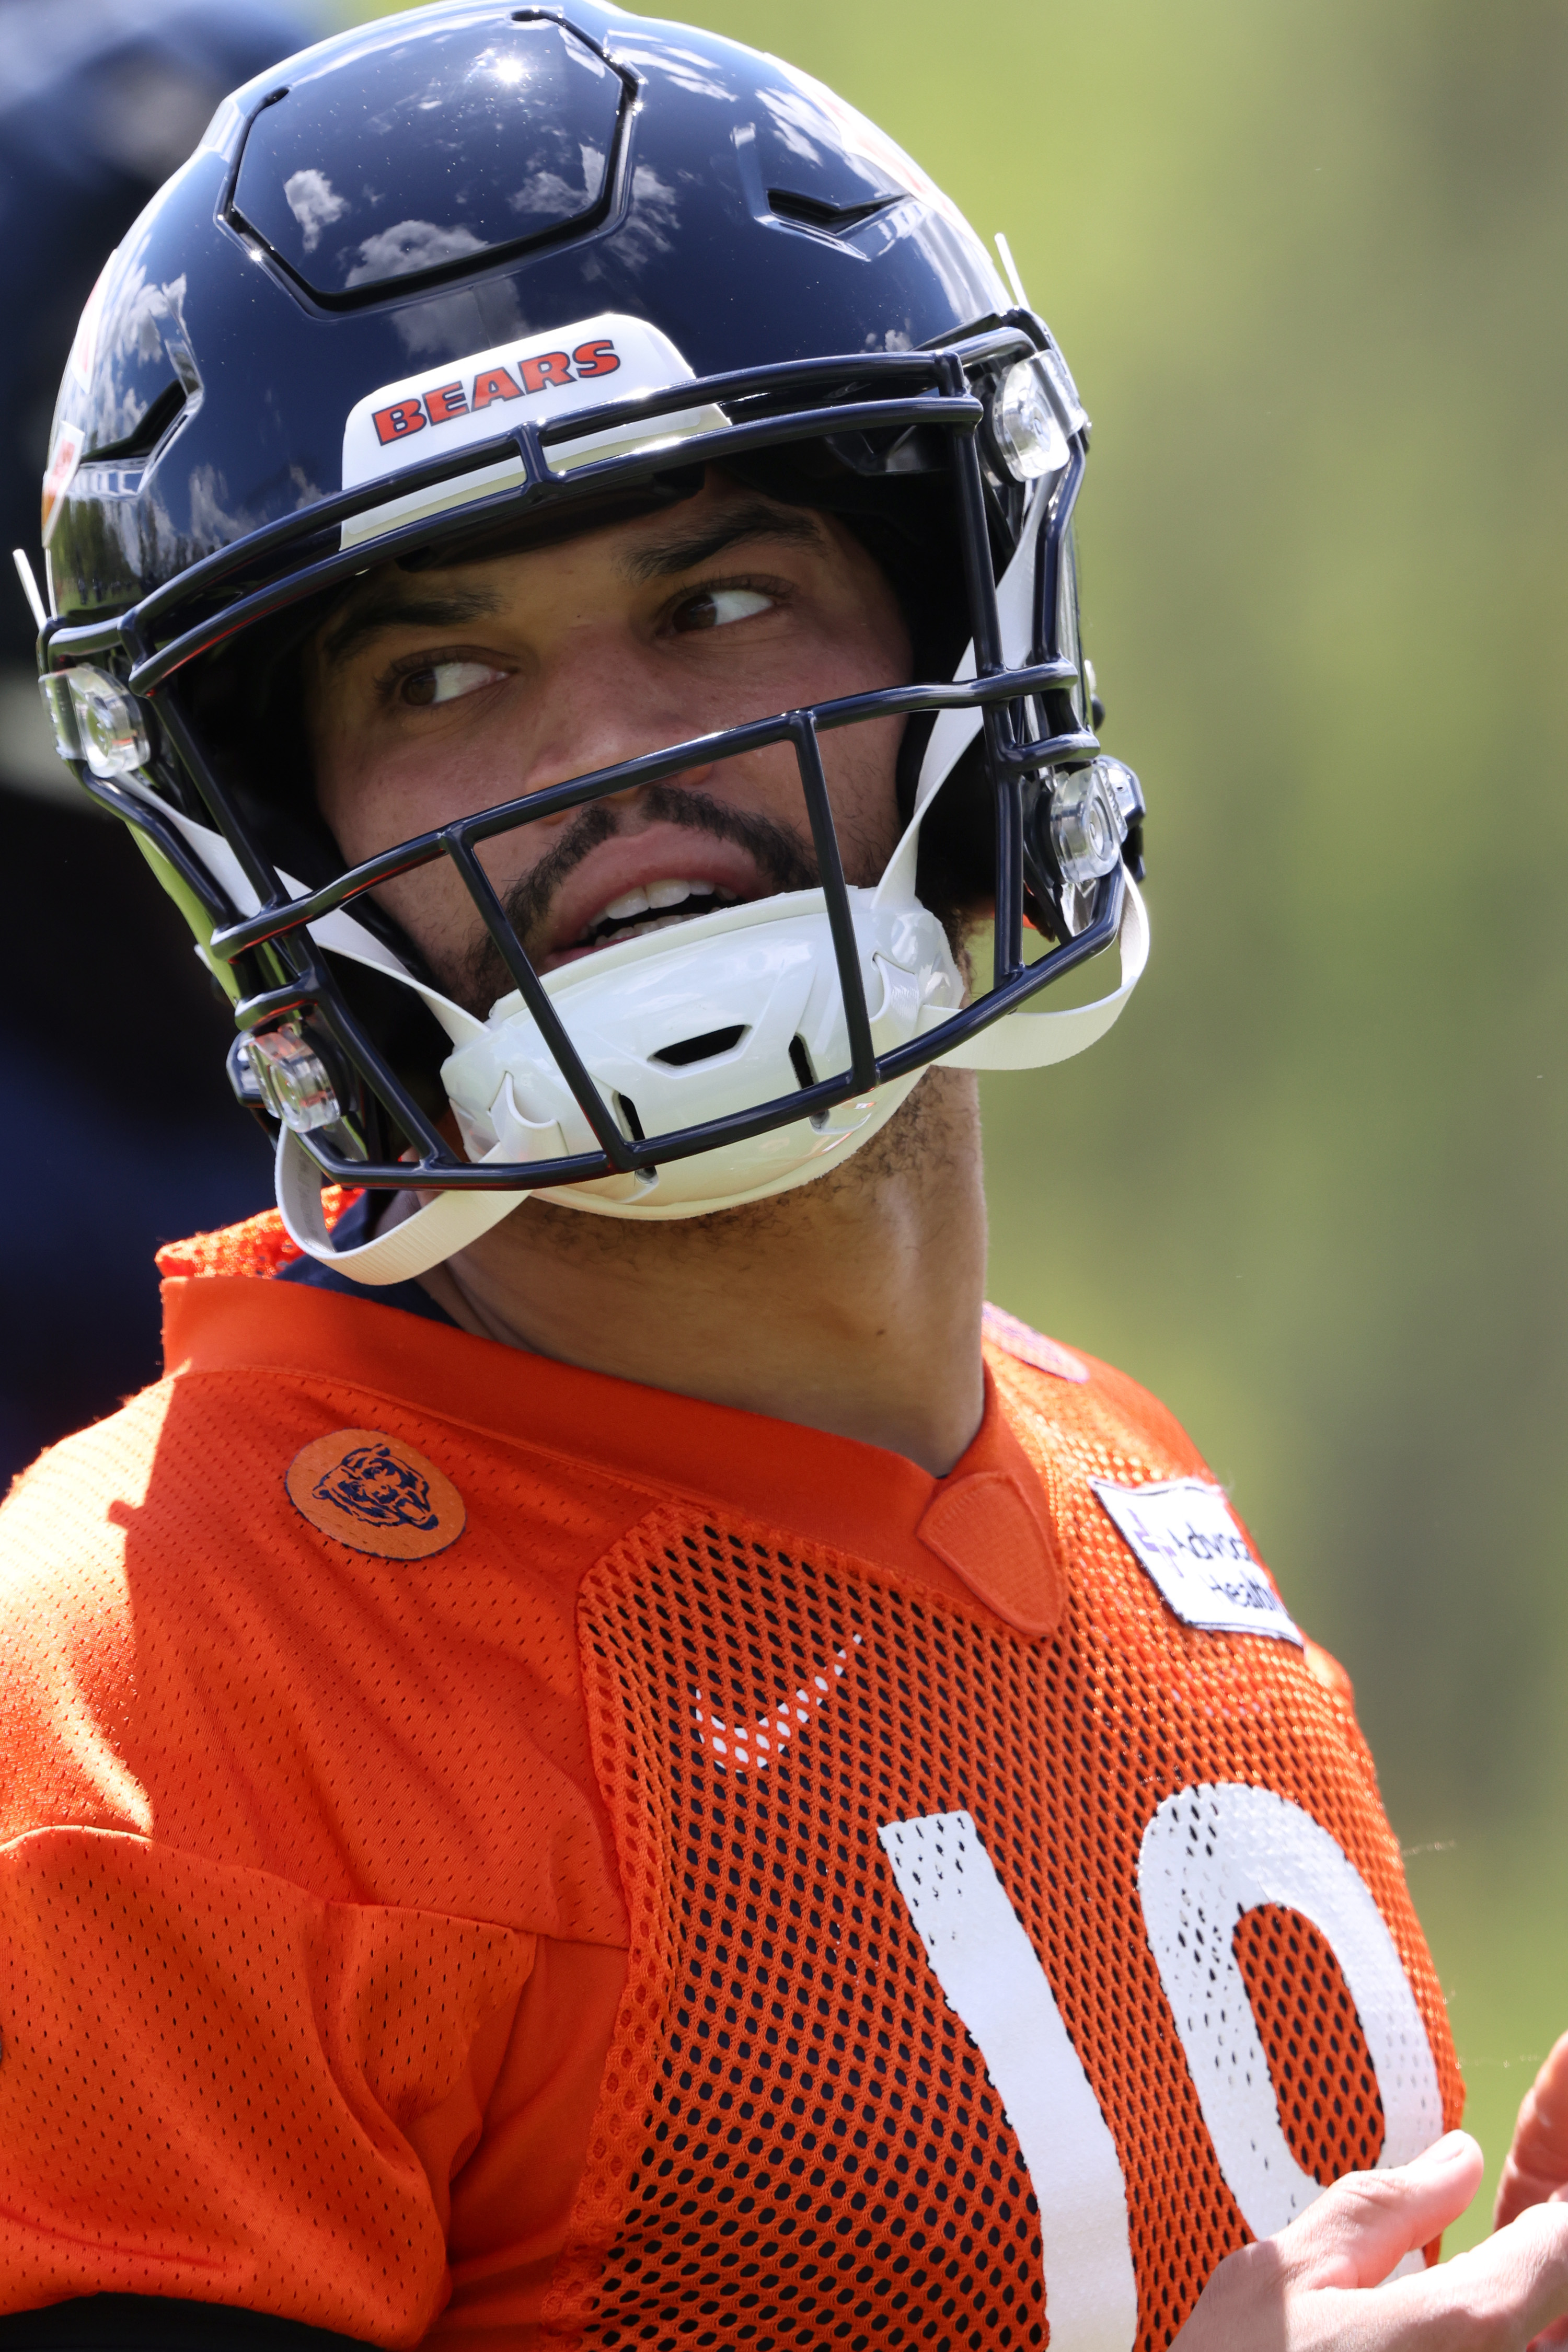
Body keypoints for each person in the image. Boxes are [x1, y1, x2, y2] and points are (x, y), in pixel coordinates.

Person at [6, 3, 1568, 2347]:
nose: (610, 762)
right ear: (277, 833)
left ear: (966, 630)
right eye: (437, 678)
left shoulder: (1126, 1487)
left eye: (719, 604)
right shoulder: (142, 1692)